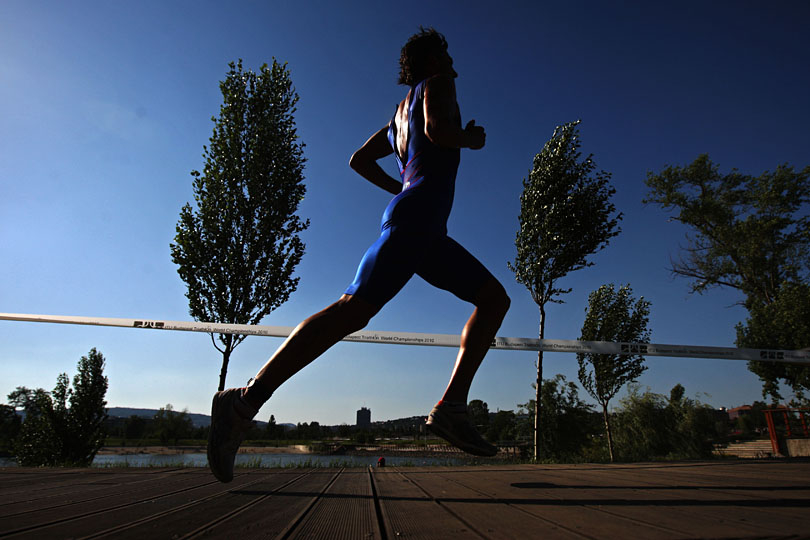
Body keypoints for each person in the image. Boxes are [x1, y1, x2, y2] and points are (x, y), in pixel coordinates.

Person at [207, 28, 510, 483]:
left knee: (493, 299)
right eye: (446, 53)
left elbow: (358, 160)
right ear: (431, 59)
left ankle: (452, 406)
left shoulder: (396, 116)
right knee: (353, 310)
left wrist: (402, 189)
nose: (454, 63)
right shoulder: (438, 85)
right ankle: (244, 401)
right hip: (418, 220)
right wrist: (467, 138)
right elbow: (437, 131)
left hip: (421, 223)